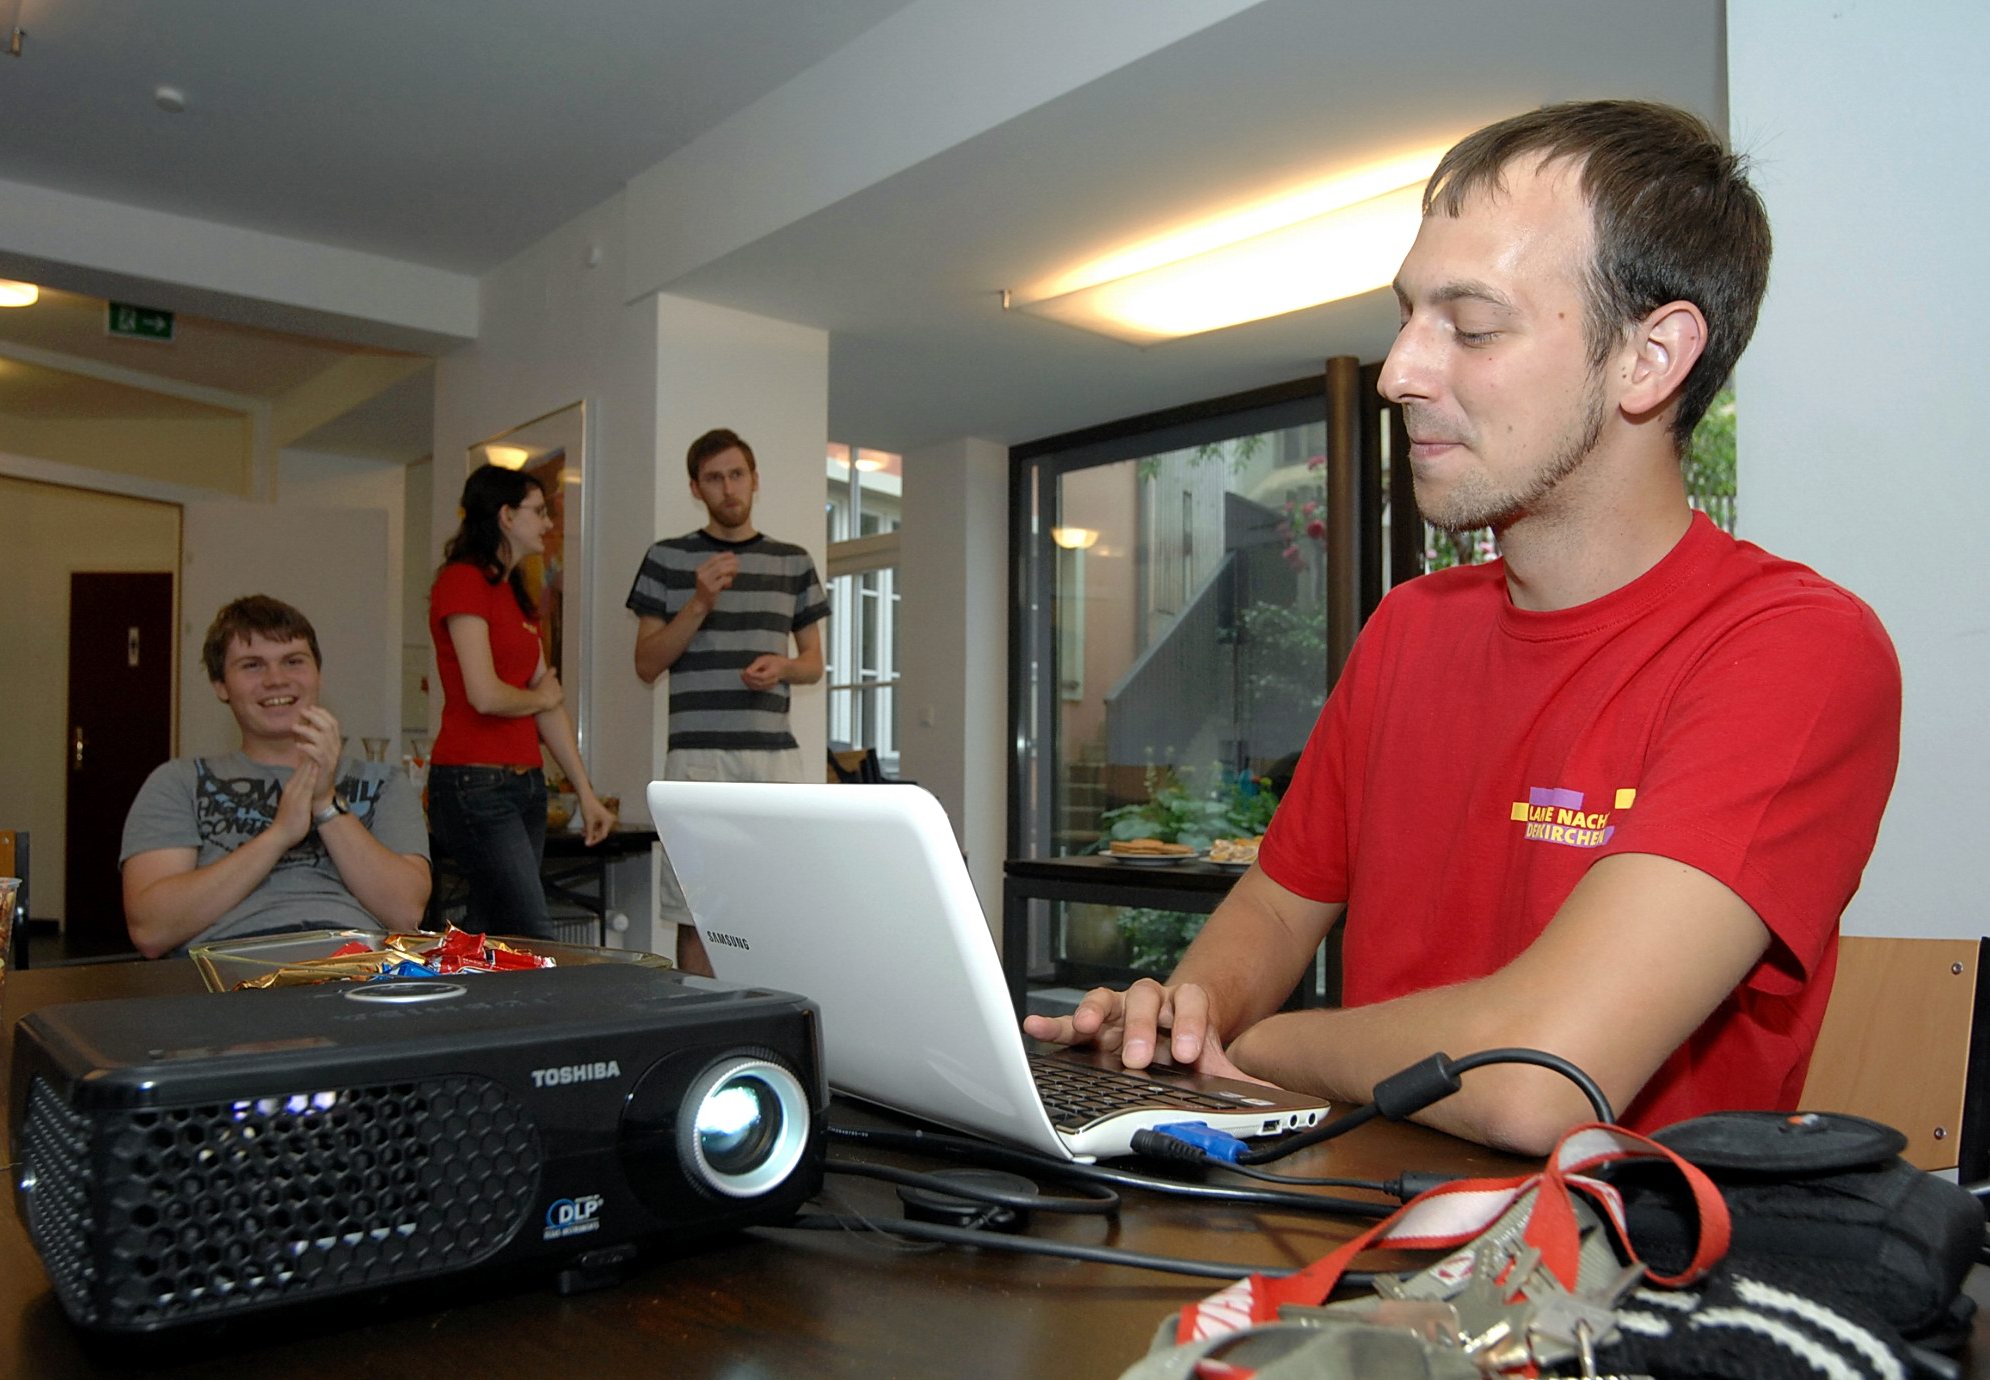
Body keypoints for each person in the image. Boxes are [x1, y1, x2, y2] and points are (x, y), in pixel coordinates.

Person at [1024, 100, 1902, 1155]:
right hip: (1339, 1206)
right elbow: (1276, 907)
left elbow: (1539, 1077)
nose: (1399, 372)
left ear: (1650, 358)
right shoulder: (1410, 628)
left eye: (1473, 326)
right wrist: (1181, 1021)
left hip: (1603, 1246)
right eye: (1408, 317)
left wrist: (1265, 1049)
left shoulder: (1795, 650)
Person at [120, 595, 431, 957]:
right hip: (228, 970)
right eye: (252, 665)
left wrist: (325, 804)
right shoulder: (178, 782)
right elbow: (151, 930)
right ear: (221, 685)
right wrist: (278, 835)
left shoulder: (385, 782)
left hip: (351, 965)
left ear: (317, 674)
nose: (276, 680)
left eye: (293, 661)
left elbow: (405, 913)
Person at [628, 427, 829, 975]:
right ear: (697, 488)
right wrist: (699, 602)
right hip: (696, 760)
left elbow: (813, 663)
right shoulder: (666, 558)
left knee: (778, 908)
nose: (728, 487)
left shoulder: (793, 561)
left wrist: (783, 667)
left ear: (755, 479)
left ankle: (768, 1020)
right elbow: (646, 664)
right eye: (714, 478)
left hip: (774, 763)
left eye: (737, 474)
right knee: (698, 913)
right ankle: (700, 1023)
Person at [428, 464, 616, 937]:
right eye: (539, 511)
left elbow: (548, 704)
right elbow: (485, 694)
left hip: (526, 786)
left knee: (493, 932)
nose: (548, 524)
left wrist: (586, 794)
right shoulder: (462, 581)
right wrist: (540, 696)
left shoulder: (514, 594)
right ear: (506, 516)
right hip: (474, 783)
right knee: (533, 932)